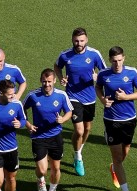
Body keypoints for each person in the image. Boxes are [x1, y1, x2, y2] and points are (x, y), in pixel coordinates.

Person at [95, 46, 137, 191]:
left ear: (124, 58)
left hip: (130, 120)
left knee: (125, 153)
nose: (117, 64)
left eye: (120, 60)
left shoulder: (132, 73)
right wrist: (103, 99)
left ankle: (114, 168)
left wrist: (125, 97)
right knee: (118, 158)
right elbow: (97, 87)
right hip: (111, 121)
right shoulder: (104, 74)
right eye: (114, 61)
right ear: (110, 60)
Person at [54, 28, 106, 176]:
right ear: (72, 40)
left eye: (82, 40)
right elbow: (57, 66)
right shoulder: (65, 55)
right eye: (76, 41)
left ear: (87, 40)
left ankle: (78, 149)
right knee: (79, 130)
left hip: (89, 97)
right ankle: (78, 157)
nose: (79, 43)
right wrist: (61, 77)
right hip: (72, 96)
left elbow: (105, 72)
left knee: (88, 128)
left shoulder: (94, 54)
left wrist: (98, 77)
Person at [23, 69, 73, 191]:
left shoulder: (61, 95)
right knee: (42, 169)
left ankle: (52, 190)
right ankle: (40, 179)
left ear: (55, 81)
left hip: (55, 136)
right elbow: (21, 109)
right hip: (38, 136)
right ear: (41, 80)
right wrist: (27, 124)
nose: (47, 84)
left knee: (56, 168)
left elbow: (69, 111)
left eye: (49, 82)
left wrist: (63, 119)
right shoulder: (33, 96)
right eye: (44, 81)